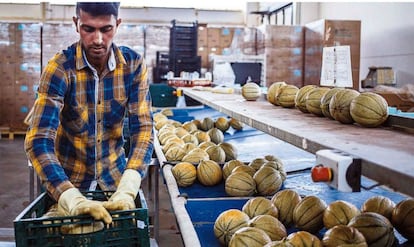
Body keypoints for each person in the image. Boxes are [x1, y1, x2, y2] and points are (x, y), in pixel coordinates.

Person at [25, 2, 154, 224]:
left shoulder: (132, 65)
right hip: (69, 182)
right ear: (76, 24)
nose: (97, 40)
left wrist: (129, 185)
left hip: (115, 183)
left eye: (106, 29)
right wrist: (71, 198)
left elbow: (143, 129)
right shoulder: (60, 69)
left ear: (118, 24)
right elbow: (38, 139)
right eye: (88, 29)